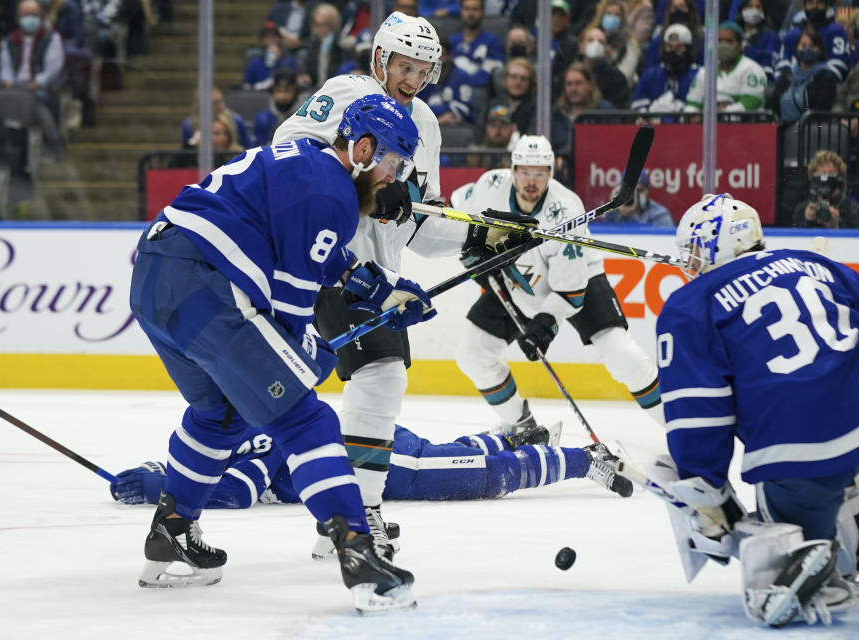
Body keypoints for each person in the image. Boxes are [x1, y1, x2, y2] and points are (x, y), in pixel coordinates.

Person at [128, 94, 434, 613]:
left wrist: (377, 288)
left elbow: (311, 252)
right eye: (392, 163)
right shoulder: (332, 194)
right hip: (207, 286)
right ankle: (358, 552)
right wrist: (312, 357)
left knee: (219, 413)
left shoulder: (308, 167)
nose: (395, 178)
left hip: (157, 276)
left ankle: (171, 531)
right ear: (362, 149)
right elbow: (289, 317)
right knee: (304, 419)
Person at [271, 12, 531, 556]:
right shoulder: (347, 92)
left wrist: (483, 237)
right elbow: (286, 148)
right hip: (327, 258)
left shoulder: (427, 126)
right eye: (404, 66)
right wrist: (360, 179)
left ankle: (345, 521)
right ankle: (354, 518)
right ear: (381, 60)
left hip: (376, 275)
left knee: (369, 380)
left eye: (423, 69)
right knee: (378, 377)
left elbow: (416, 224)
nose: (412, 79)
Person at [648, 193, 859, 627]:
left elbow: (700, 414)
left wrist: (707, 492)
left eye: (692, 252)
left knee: (778, 508)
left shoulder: (689, 305)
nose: (688, 262)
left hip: (801, 438)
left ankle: (807, 569)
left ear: (706, 248)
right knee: (842, 452)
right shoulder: (811, 261)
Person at [455, 135, 665, 437]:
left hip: (580, 279)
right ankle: (522, 427)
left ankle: (678, 431)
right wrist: (470, 250)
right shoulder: (490, 186)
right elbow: (458, 214)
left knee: (623, 356)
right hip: (520, 276)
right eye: (525, 172)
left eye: (540, 173)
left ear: (551, 174)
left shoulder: (566, 211)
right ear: (512, 171)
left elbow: (571, 290)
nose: (531, 181)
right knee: (473, 354)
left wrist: (545, 324)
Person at [109, 418, 634, 512]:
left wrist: (165, 487)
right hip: (373, 450)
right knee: (447, 456)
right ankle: (515, 437)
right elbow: (201, 467)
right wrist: (158, 473)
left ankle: (585, 459)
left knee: (479, 477)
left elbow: (241, 490)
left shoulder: (247, 427)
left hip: (376, 460)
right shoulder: (227, 424)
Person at [0, 0, 66, 158]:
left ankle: (53, 145)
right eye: (26, 15)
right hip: (13, 88)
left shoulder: (51, 38)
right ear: (18, 17)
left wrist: (37, 82)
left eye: (33, 15)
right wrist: (8, 81)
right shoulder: (10, 40)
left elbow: (53, 69)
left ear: (40, 16)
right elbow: (5, 68)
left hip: (39, 88)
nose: (30, 19)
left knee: (36, 104)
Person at [684, 22, 768, 113]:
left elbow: (749, 104)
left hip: (743, 126)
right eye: (719, 41)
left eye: (729, 41)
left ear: (740, 45)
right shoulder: (705, 71)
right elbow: (691, 104)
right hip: (706, 125)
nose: (723, 45)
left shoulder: (752, 70)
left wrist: (720, 114)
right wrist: (692, 117)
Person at [770, 25, 839, 122]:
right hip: (781, 129)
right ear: (797, 48)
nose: (807, 49)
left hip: (808, 132)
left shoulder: (826, 78)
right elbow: (773, 104)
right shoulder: (787, 74)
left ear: (820, 49)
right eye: (803, 45)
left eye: (812, 46)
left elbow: (819, 114)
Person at [630, 23, 699, 117]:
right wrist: (648, 117)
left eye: (678, 47)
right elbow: (638, 103)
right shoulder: (651, 74)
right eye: (669, 47)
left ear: (687, 49)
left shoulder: (698, 75)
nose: (673, 51)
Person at [776, 0, 850, 81]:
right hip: (794, 87)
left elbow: (838, 68)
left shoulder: (836, 31)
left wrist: (813, 82)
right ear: (804, 6)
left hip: (824, 88)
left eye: (819, 3)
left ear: (826, 6)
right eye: (810, 3)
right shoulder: (792, 34)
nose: (815, 7)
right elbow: (781, 67)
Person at [793, 149, 859, 228]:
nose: (825, 179)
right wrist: (807, 222)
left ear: (839, 177)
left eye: (830, 175)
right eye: (822, 175)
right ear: (813, 177)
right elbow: (795, 239)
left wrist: (837, 225)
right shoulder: (802, 210)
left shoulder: (854, 211)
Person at [449, 0, 505, 89]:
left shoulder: (493, 42)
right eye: (467, 9)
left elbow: (485, 78)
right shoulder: (451, 41)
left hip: (480, 93)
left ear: (483, 12)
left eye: (475, 9)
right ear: (461, 11)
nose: (471, 13)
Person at [576, 26, 631, 108]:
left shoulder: (616, 77)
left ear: (605, 49)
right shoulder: (569, 73)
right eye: (591, 40)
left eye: (601, 42)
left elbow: (621, 109)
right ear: (581, 47)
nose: (596, 45)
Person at [181, 88, 252, 149]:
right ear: (203, 104)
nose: (221, 105)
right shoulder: (189, 124)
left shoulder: (236, 120)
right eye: (216, 102)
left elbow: (247, 147)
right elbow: (186, 153)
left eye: (222, 101)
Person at [599, 170, 673, 226]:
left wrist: (631, 215)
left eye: (640, 190)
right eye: (630, 191)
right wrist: (612, 206)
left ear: (648, 191)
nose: (635, 195)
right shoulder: (614, 212)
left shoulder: (660, 215)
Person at [242, 21, 298, 91]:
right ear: (261, 41)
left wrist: (278, 60)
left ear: (280, 39)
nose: (272, 41)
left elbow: (293, 84)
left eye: (274, 36)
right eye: (268, 37)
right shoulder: (255, 63)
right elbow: (246, 84)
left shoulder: (289, 61)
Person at [252, 67, 301, 147]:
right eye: (278, 90)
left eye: (287, 90)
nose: (283, 96)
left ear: (296, 91)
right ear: (272, 90)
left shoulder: (302, 117)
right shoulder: (262, 119)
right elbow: (257, 149)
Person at [735, 0, 781, 79]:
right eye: (750, 6)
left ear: (763, 12)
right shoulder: (734, 35)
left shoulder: (770, 36)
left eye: (758, 7)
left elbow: (768, 63)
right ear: (742, 10)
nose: (754, 10)